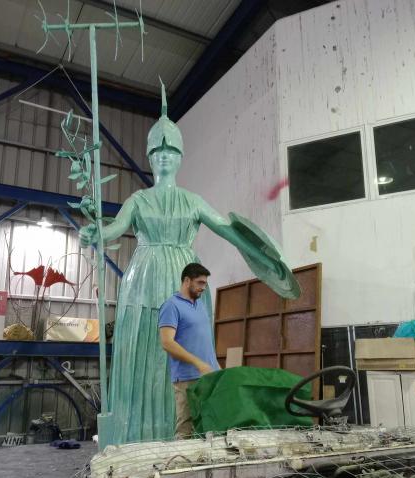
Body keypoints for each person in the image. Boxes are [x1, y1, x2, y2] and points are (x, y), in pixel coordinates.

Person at [79, 82, 299, 445]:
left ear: (180, 157)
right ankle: (139, 434)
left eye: (171, 150)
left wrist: (265, 256)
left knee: (187, 347)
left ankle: (184, 431)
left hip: (184, 277)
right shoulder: (138, 200)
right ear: (150, 157)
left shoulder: (192, 201)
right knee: (146, 349)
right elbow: (115, 228)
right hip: (145, 278)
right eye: (157, 151)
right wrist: (95, 233)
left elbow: (227, 229)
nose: (164, 156)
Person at [158, 263, 220, 438]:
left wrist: (216, 366)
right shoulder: (171, 306)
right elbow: (167, 343)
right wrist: (198, 363)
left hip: (208, 375)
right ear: (187, 281)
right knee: (185, 428)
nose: (203, 287)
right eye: (200, 283)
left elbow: (204, 341)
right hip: (187, 379)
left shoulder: (200, 305)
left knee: (209, 426)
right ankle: (181, 457)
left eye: (205, 283)